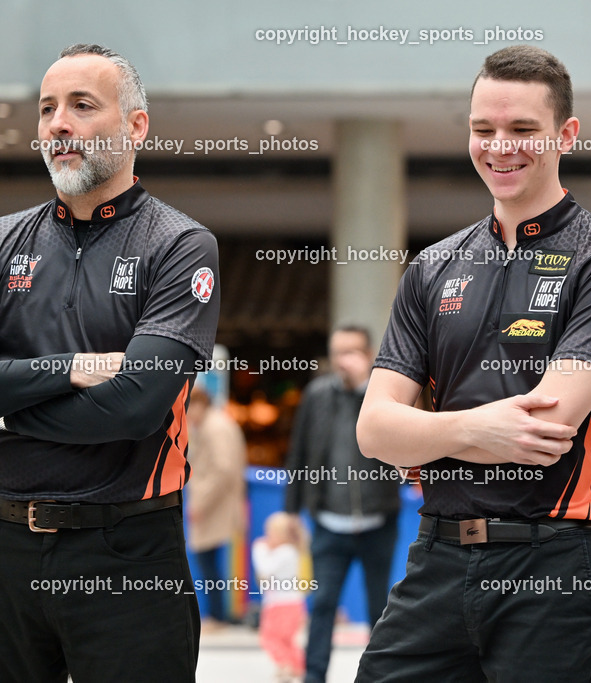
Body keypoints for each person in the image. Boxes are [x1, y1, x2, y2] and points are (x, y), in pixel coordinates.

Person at [355, 45, 591, 682]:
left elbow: (543, 430)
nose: (500, 147)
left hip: (554, 567)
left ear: (565, 135)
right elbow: (373, 430)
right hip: (435, 558)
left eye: (523, 131)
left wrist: (428, 436)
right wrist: (470, 432)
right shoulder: (432, 267)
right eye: (483, 130)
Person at [0, 44, 219, 682]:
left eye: (81, 106)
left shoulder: (179, 245)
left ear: (135, 125)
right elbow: (104, 392)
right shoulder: (5, 240)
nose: (57, 124)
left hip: (127, 553)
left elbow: (133, 406)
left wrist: (9, 414)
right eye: (46, 110)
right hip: (6, 546)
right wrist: (68, 368)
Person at [284, 325, 400, 683]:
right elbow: (299, 453)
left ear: (368, 356)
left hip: (378, 519)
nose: (343, 360)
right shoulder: (317, 395)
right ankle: (314, 676)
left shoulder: (385, 398)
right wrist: (291, 510)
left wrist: (367, 389)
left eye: (351, 352)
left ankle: (379, 676)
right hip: (328, 522)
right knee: (322, 605)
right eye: (337, 353)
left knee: (380, 608)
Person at [185, 384, 248, 629]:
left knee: (208, 562)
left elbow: (223, 469)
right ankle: (218, 615)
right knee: (210, 562)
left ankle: (218, 616)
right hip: (216, 504)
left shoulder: (215, 427)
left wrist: (201, 502)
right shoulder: (213, 423)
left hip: (215, 506)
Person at [253, 512, 310, 683]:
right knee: (285, 640)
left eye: (270, 533)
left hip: (283, 605)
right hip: (285, 604)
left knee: (269, 638)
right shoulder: (287, 552)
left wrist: (259, 550)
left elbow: (265, 570)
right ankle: (297, 666)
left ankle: (287, 664)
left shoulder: (286, 552)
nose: (267, 537)